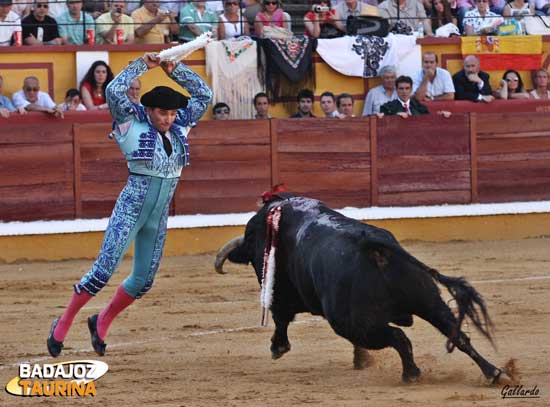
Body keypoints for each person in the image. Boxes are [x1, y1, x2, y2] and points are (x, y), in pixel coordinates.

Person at [46, 51, 212, 358]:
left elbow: (204, 93)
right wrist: (142, 66)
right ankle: (64, 322)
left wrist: (175, 70)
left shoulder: (180, 128)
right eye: (163, 112)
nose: (169, 118)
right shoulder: (128, 122)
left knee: (144, 280)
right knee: (102, 272)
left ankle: (102, 320)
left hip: (157, 216)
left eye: (173, 113)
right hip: (129, 211)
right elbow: (112, 90)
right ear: (148, 110)